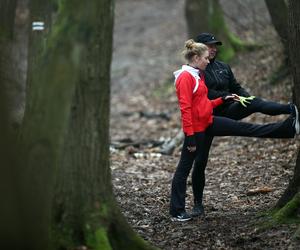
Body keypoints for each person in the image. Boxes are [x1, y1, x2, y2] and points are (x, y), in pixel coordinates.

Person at [170, 39, 299, 222]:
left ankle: (288, 128)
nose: (209, 60)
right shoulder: (185, 77)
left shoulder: (196, 74)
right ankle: (177, 211)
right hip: (197, 131)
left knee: (247, 129)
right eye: (206, 58)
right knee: (184, 168)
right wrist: (190, 137)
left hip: (209, 121)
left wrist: (223, 99)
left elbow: (203, 103)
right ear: (196, 57)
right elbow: (186, 109)